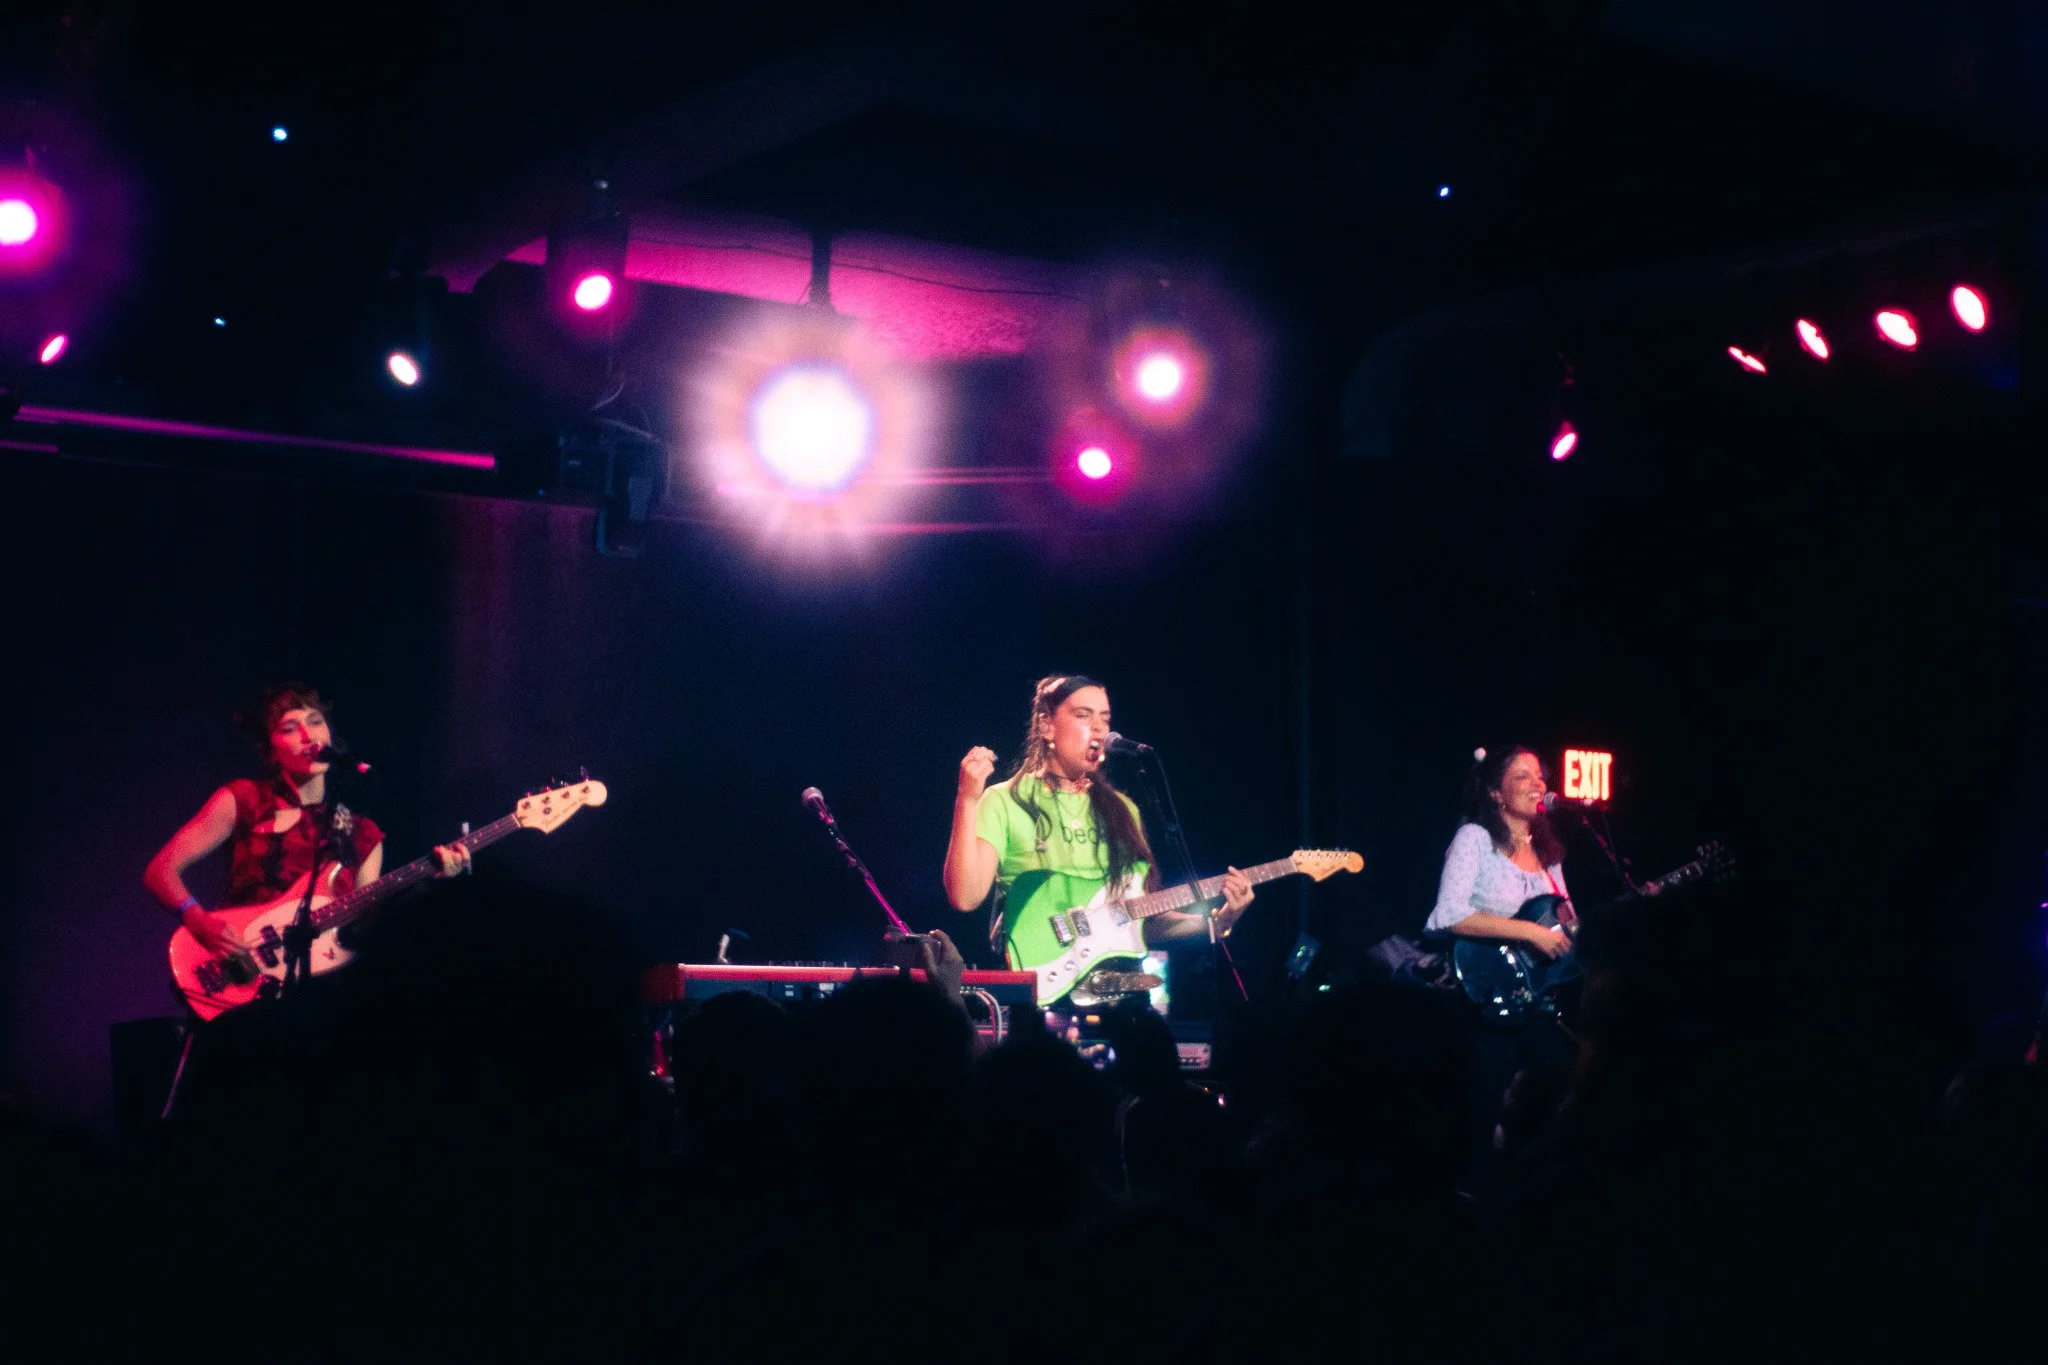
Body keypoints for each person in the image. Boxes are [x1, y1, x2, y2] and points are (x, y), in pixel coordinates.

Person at [942, 674, 1253, 983]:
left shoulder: (1122, 810)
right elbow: (965, 897)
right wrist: (967, 800)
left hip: (1122, 989)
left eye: (1105, 719)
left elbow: (1141, 923)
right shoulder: (1005, 800)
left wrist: (1220, 921)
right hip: (1041, 989)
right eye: (1083, 715)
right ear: (1046, 725)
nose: (1099, 729)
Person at [143, 682, 467, 965]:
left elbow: (364, 925)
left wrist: (428, 884)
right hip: (240, 967)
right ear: (271, 748)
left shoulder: (361, 832)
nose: (307, 735)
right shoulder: (243, 798)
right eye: (289, 728)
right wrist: (198, 920)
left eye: (315, 721)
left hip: (320, 988)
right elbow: (160, 870)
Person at [1424, 746, 1573, 958]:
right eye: (1522, 777)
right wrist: (1532, 932)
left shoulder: (1547, 852)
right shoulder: (1474, 838)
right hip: (1484, 971)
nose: (1538, 784)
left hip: (1540, 976)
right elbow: (1449, 914)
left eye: (1539, 776)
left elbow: (1566, 918)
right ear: (1496, 793)